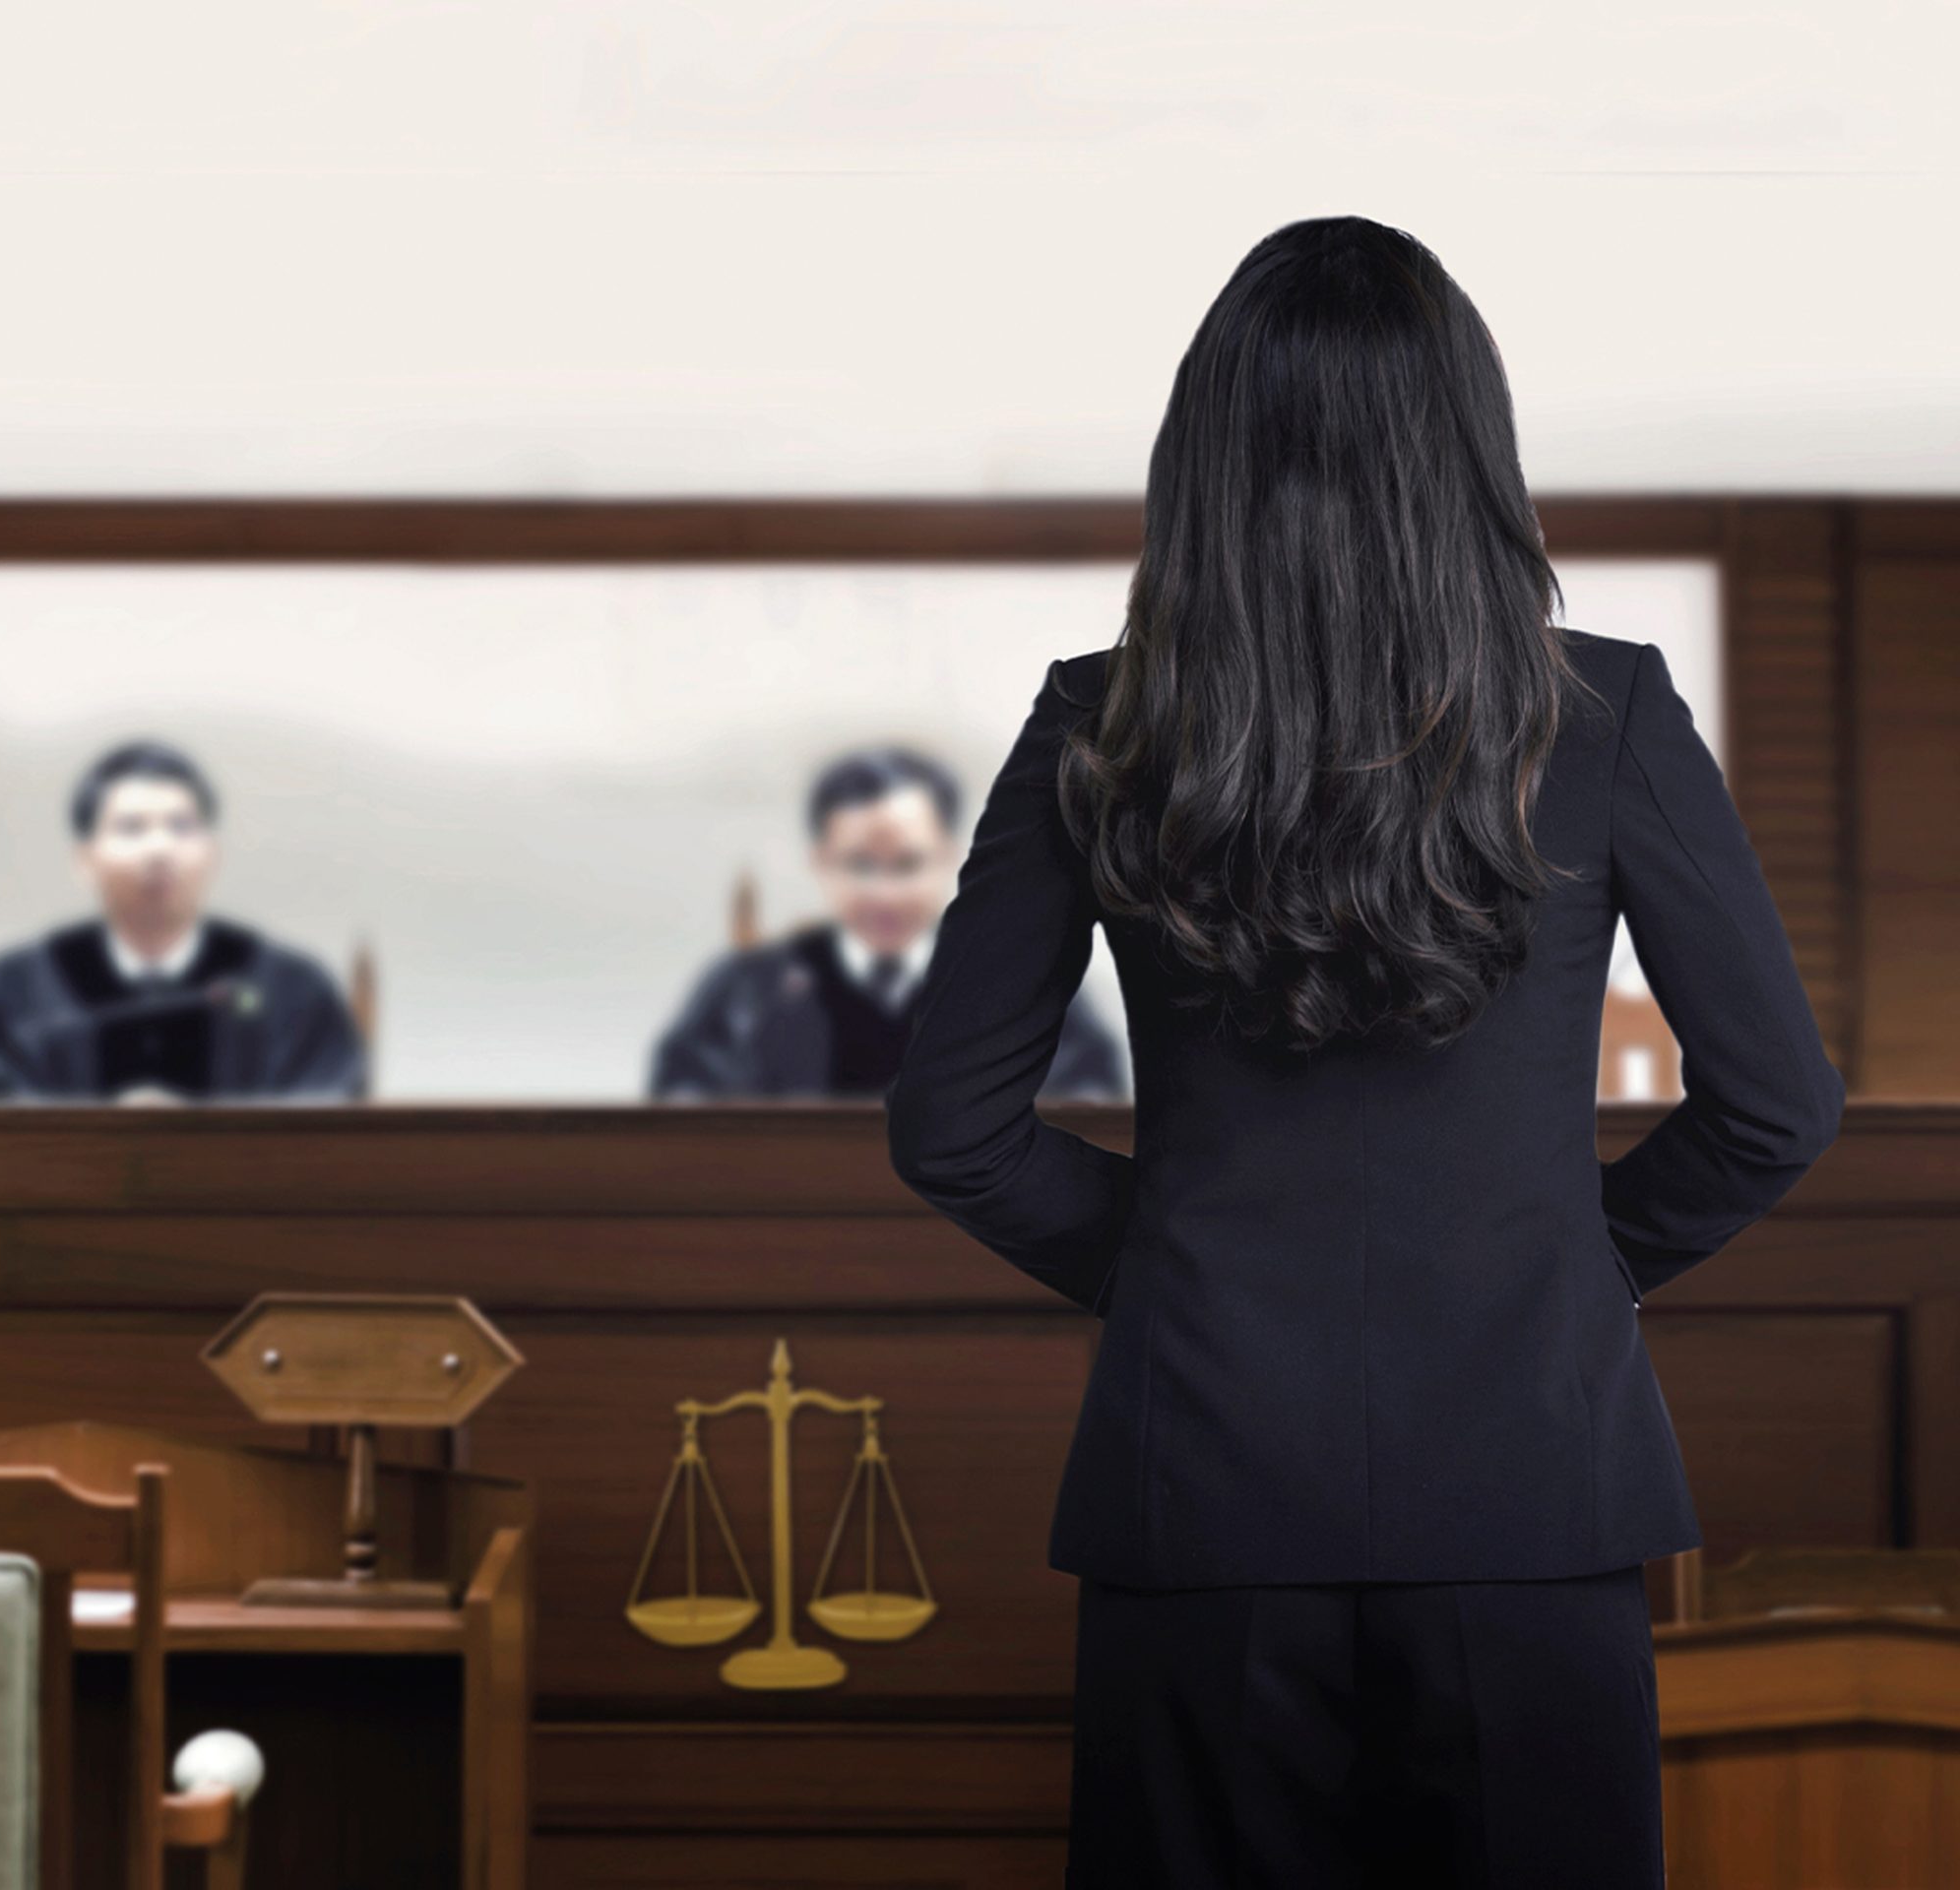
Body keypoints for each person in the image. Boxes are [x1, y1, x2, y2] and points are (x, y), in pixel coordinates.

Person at [885, 217, 1843, 1888]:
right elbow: (1776, 1107)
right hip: (1538, 1505)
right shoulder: (1607, 714)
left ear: (1203, 457)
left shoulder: (1095, 723)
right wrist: (1574, 1263)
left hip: (1200, 1511)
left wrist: (1172, 1268)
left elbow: (952, 1127)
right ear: (1470, 446)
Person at [650, 743, 1126, 1101]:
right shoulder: (745, 989)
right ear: (821, 862)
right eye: (859, 865)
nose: (884, 893)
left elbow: (1089, 1104)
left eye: (907, 864)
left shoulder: (1022, 981)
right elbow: (684, 1116)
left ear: (950, 859)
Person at [0, 739, 366, 1102]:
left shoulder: (289, 986)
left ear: (212, 853)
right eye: (131, 828)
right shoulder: (20, 987)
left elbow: (330, 1124)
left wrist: (193, 1144)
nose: (159, 848)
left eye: (181, 826)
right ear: (84, 860)